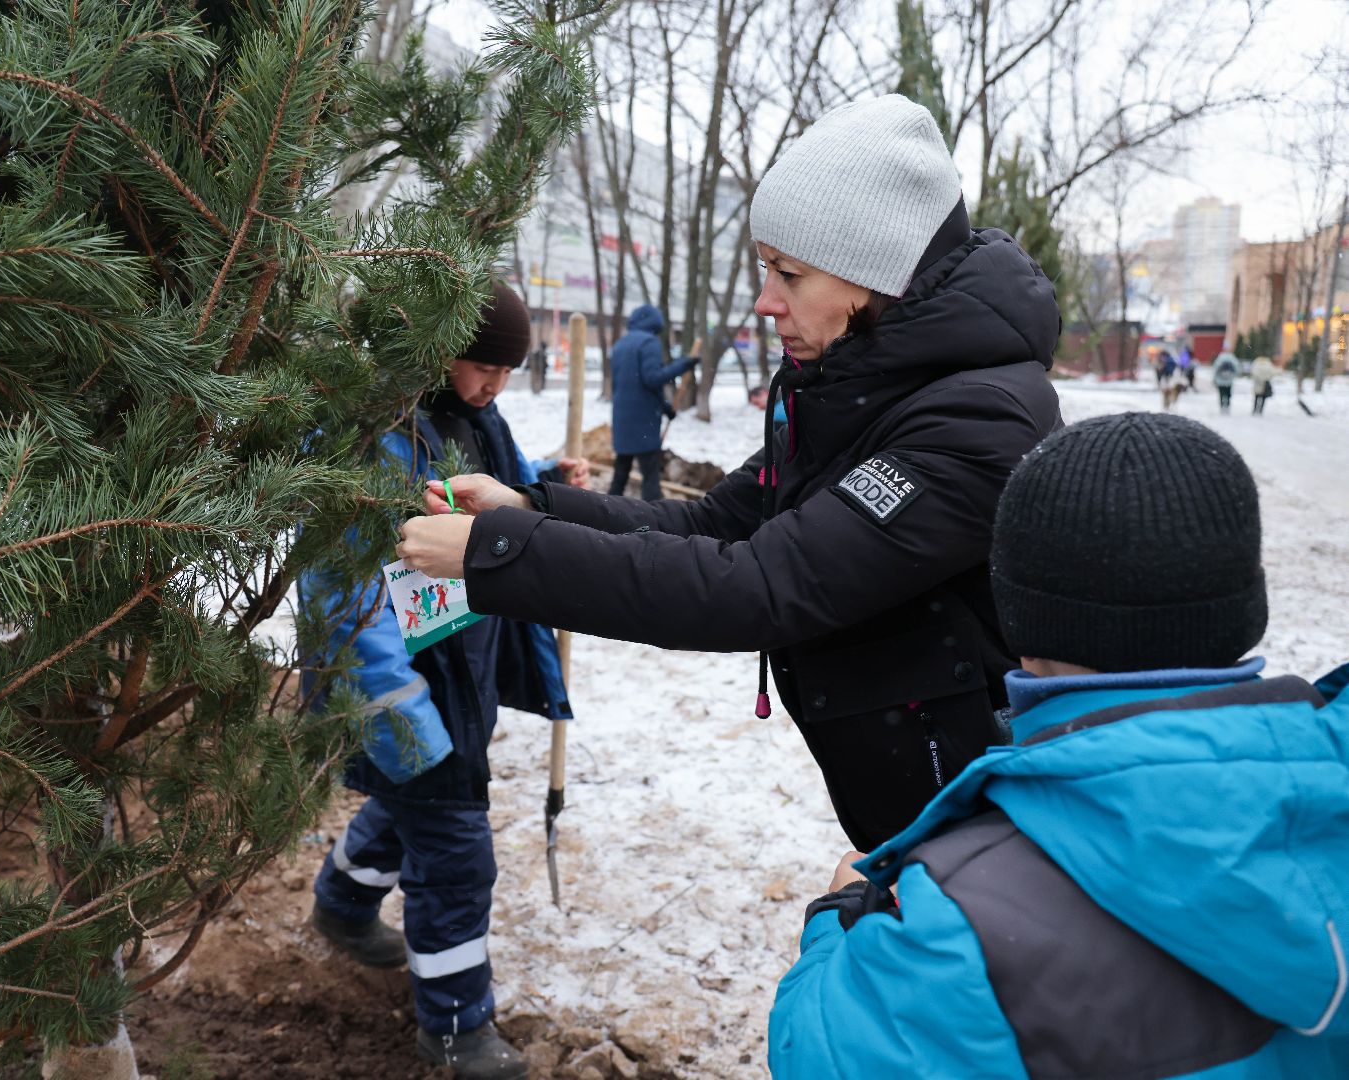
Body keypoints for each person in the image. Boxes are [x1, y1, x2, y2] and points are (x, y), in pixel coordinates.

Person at [396, 95, 1063, 851]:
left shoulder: (974, 421)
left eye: (788, 273)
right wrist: (524, 506)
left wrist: (496, 554)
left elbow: (759, 587)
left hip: (975, 816)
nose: (764, 301)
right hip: (914, 803)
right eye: (763, 268)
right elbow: (710, 523)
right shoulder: (851, 389)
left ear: (874, 275)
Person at [767, 412, 1349, 1078]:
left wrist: (838, 921)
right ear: (1242, 601)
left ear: (1019, 615)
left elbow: (816, 1054)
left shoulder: (961, 926)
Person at [304, 281, 586, 1080]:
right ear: (434, 352)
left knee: (414, 806)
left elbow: (486, 480)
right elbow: (342, 600)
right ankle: (457, 1026)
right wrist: (402, 717)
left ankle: (343, 903)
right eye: (482, 366)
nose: (495, 386)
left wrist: (540, 480)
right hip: (404, 685)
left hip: (465, 669)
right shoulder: (371, 444)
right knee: (456, 851)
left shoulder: (468, 419)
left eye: (507, 371)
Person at [608, 304, 697, 501]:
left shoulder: (620, 345)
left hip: (622, 418)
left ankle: (607, 509)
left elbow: (632, 385)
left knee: (621, 472)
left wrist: (666, 408)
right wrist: (683, 365)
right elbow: (652, 379)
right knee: (650, 476)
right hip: (643, 421)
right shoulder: (649, 343)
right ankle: (653, 517)